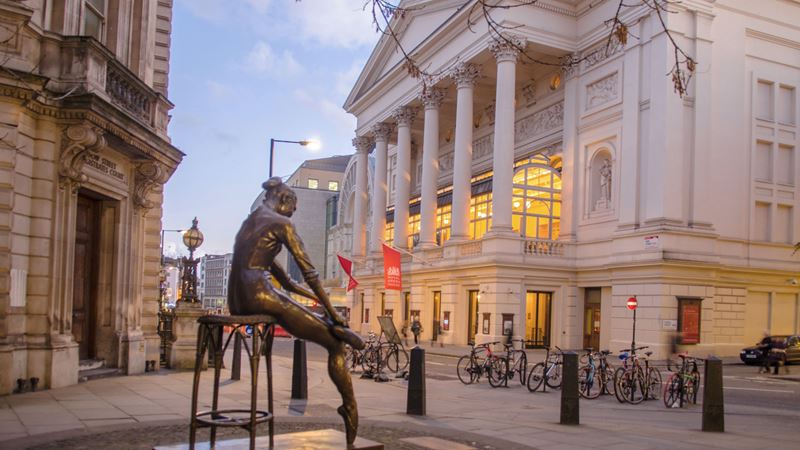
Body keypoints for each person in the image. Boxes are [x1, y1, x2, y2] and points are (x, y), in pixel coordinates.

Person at [227, 177, 365, 445]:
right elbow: (309, 273)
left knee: (320, 320)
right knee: (334, 344)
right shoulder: (282, 224)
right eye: (294, 206)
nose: (294, 212)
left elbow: (289, 283)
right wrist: (333, 312)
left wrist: (321, 303)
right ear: (283, 200)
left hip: (239, 298)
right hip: (260, 295)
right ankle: (348, 406)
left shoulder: (252, 222)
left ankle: (334, 325)